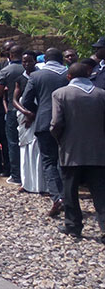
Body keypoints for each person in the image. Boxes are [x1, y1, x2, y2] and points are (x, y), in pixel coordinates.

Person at [50, 62, 105, 240]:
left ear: (68, 76)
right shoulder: (101, 94)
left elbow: (57, 123)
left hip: (70, 151)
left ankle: (73, 226)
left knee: (70, 190)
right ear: (89, 74)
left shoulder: (61, 94)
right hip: (98, 151)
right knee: (100, 191)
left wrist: (60, 140)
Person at [21, 48, 69, 218]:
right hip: (68, 123)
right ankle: (68, 197)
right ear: (61, 59)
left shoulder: (36, 76)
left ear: (45, 59)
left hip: (44, 121)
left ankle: (57, 197)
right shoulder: (69, 74)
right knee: (65, 162)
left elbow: (26, 100)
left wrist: (38, 110)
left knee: (49, 161)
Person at [13, 51, 46, 194]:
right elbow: (15, 100)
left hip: (38, 116)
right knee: (25, 149)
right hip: (25, 115)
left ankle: (40, 184)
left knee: (37, 149)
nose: (26, 64)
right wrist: (26, 113)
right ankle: (26, 182)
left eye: (29, 61)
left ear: (35, 62)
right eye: (24, 61)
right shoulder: (20, 78)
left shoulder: (39, 77)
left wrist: (33, 115)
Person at [0, 45, 25, 183]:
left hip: (13, 109)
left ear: (10, 55)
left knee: (13, 143)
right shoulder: (30, 68)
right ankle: (29, 175)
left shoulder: (5, 70)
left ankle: (16, 175)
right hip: (29, 109)